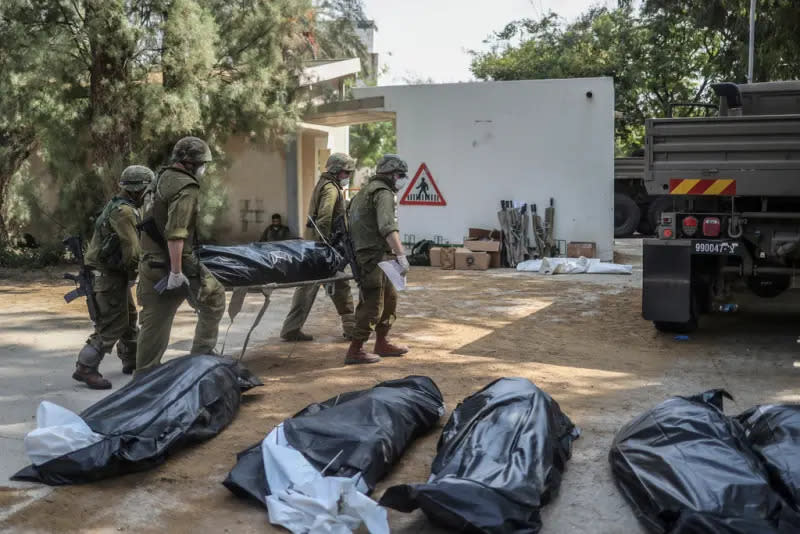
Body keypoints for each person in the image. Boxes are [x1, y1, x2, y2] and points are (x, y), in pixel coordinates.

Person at [135, 137, 226, 372]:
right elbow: (176, 234)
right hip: (174, 263)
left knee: (154, 322)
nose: (204, 168)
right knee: (214, 298)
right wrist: (176, 272)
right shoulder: (186, 187)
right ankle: (201, 359)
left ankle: (144, 376)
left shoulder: (159, 179)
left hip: (150, 262)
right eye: (203, 163)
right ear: (192, 163)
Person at [73, 165, 154, 389]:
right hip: (108, 278)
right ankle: (85, 368)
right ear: (137, 190)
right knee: (110, 326)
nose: (149, 195)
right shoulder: (124, 212)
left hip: (112, 276)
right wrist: (140, 274)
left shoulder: (119, 206)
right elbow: (133, 252)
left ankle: (132, 361)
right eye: (147, 191)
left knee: (128, 318)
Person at [280, 153, 356, 342]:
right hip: (323, 248)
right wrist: (325, 248)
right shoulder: (331, 189)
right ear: (337, 171)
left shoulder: (323, 184)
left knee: (307, 288)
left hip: (313, 246)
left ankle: (291, 328)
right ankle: (351, 328)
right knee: (340, 285)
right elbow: (324, 218)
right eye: (346, 172)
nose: (348, 176)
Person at [345, 154, 411, 364]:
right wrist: (401, 255)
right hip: (372, 256)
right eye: (400, 175)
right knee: (373, 303)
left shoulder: (363, 192)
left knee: (390, 300)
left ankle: (382, 342)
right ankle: (356, 349)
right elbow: (387, 227)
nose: (401, 179)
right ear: (391, 174)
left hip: (376, 255)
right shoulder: (382, 193)